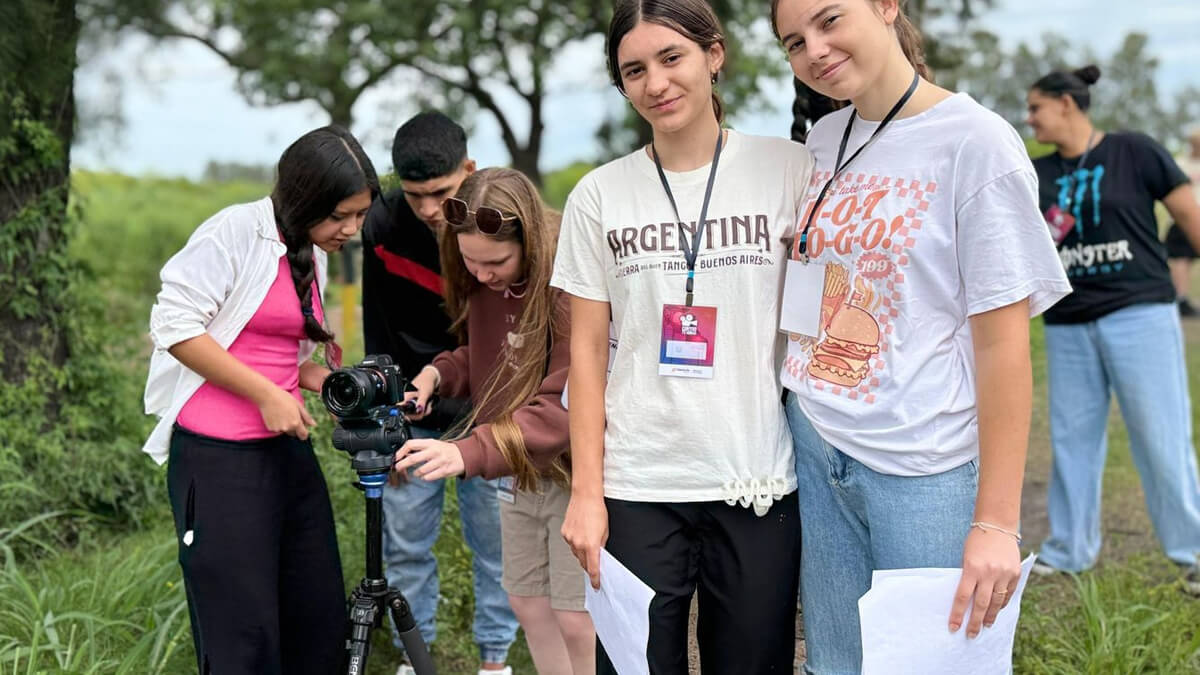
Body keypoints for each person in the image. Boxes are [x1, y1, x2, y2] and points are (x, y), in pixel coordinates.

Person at [771, 0, 1074, 671]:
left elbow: (1003, 347)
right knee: (833, 664)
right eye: (794, 41)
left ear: (885, 5)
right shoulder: (823, 139)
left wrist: (995, 522)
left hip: (923, 466)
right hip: (819, 446)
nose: (814, 50)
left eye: (829, 21)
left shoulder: (976, 143)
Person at [551, 1, 814, 671]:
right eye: (633, 70)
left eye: (672, 58)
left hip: (754, 476)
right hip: (637, 482)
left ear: (714, 55)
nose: (656, 84)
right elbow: (585, 352)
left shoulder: (790, 170)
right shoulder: (599, 195)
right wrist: (587, 492)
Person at [142, 125, 377, 673]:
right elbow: (174, 326)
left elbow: (271, 349)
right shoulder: (234, 232)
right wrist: (265, 393)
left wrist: (318, 379)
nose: (352, 229)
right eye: (341, 215)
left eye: (361, 216)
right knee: (242, 634)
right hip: (220, 461)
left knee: (315, 618)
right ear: (305, 198)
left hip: (287, 457)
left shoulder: (310, 252)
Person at [392, 167, 596, 674]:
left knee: (575, 616)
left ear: (528, 241)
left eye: (496, 262)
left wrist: (464, 451)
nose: (482, 275)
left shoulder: (567, 289)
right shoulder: (485, 285)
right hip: (516, 472)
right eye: (469, 261)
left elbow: (563, 406)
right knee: (528, 603)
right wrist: (437, 376)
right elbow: (492, 356)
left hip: (574, 474)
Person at [1024, 65, 1200, 593]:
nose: (1029, 118)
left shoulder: (1135, 150)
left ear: (1067, 104)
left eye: (1036, 107)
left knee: (1160, 434)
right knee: (1072, 439)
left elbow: (1190, 217)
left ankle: (1193, 549)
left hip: (1139, 313)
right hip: (1069, 322)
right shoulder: (1040, 173)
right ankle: (1070, 550)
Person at [359, 112, 518, 674]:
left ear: (468, 170)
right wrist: (386, 426)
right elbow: (375, 328)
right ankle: (414, 657)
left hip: (490, 415)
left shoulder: (500, 219)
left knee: (497, 547)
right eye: (416, 195)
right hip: (412, 411)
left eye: (442, 193)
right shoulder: (381, 225)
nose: (429, 210)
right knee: (405, 546)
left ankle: (495, 658)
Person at [1165, 127, 1200, 317]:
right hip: (1180, 219)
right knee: (1180, 259)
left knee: (1187, 260)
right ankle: (1181, 298)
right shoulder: (1181, 163)